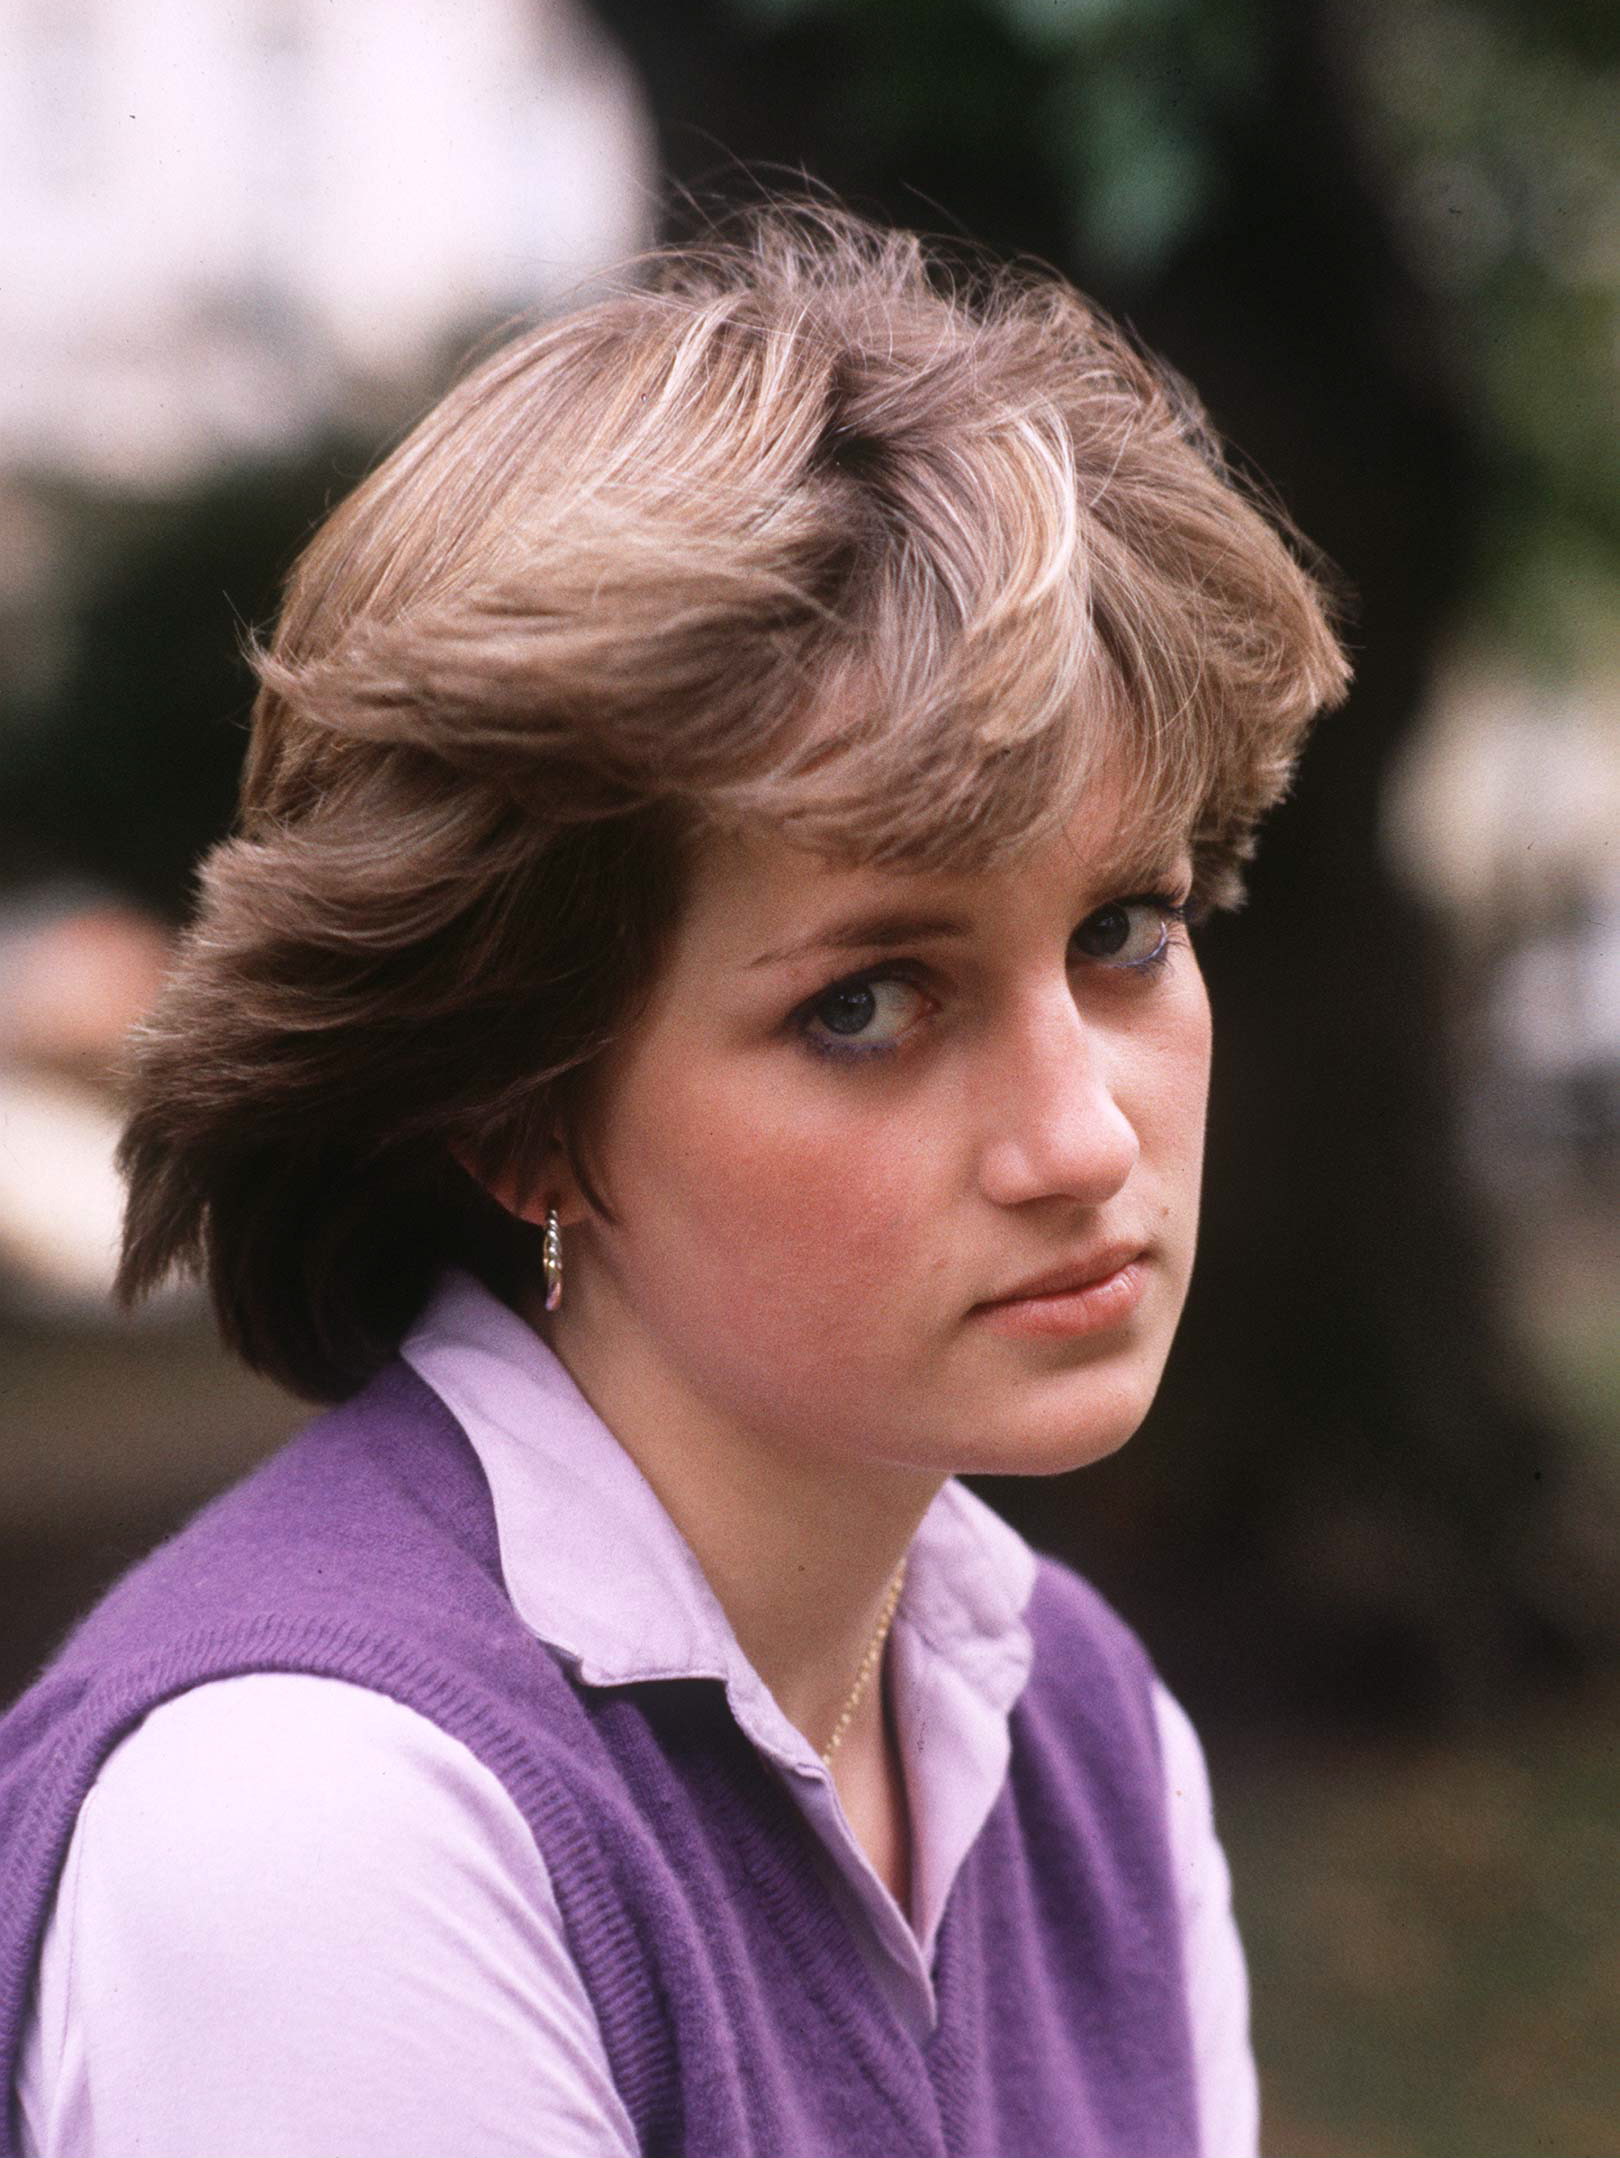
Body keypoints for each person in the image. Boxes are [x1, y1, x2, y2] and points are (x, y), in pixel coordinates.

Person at [0, 203, 1348, 2158]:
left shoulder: (1080, 1726)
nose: (1081, 1138)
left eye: (1125, 932)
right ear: (517, 1102)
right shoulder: (320, 1829)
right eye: (870, 1000)